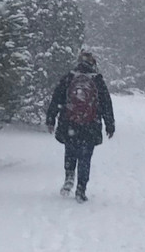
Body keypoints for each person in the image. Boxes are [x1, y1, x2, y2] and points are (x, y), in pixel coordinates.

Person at [45, 49, 115, 202]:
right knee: (85, 157)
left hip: (70, 123)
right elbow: (106, 104)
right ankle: (81, 188)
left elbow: (56, 98)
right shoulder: (97, 80)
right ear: (93, 63)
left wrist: (51, 119)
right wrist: (110, 124)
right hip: (90, 125)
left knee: (70, 152)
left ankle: (69, 177)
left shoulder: (69, 78)